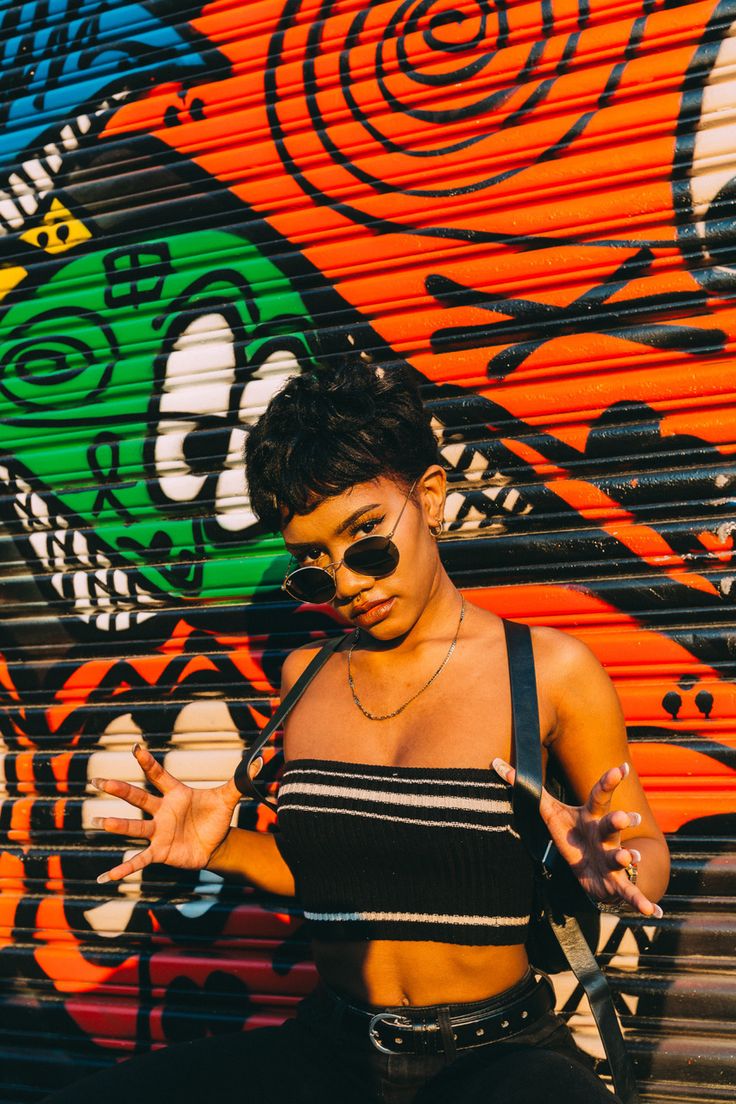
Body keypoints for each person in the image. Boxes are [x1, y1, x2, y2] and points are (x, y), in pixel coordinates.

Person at [45, 358, 670, 1104]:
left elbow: (643, 846)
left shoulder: (549, 671)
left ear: (430, 496)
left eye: (366, 537)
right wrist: (223, 848)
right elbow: (344, 882)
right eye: (313, 562)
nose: (346, 582)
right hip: (331, 1049)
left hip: (497, 1058)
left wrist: (615, 870)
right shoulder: (305, 678)